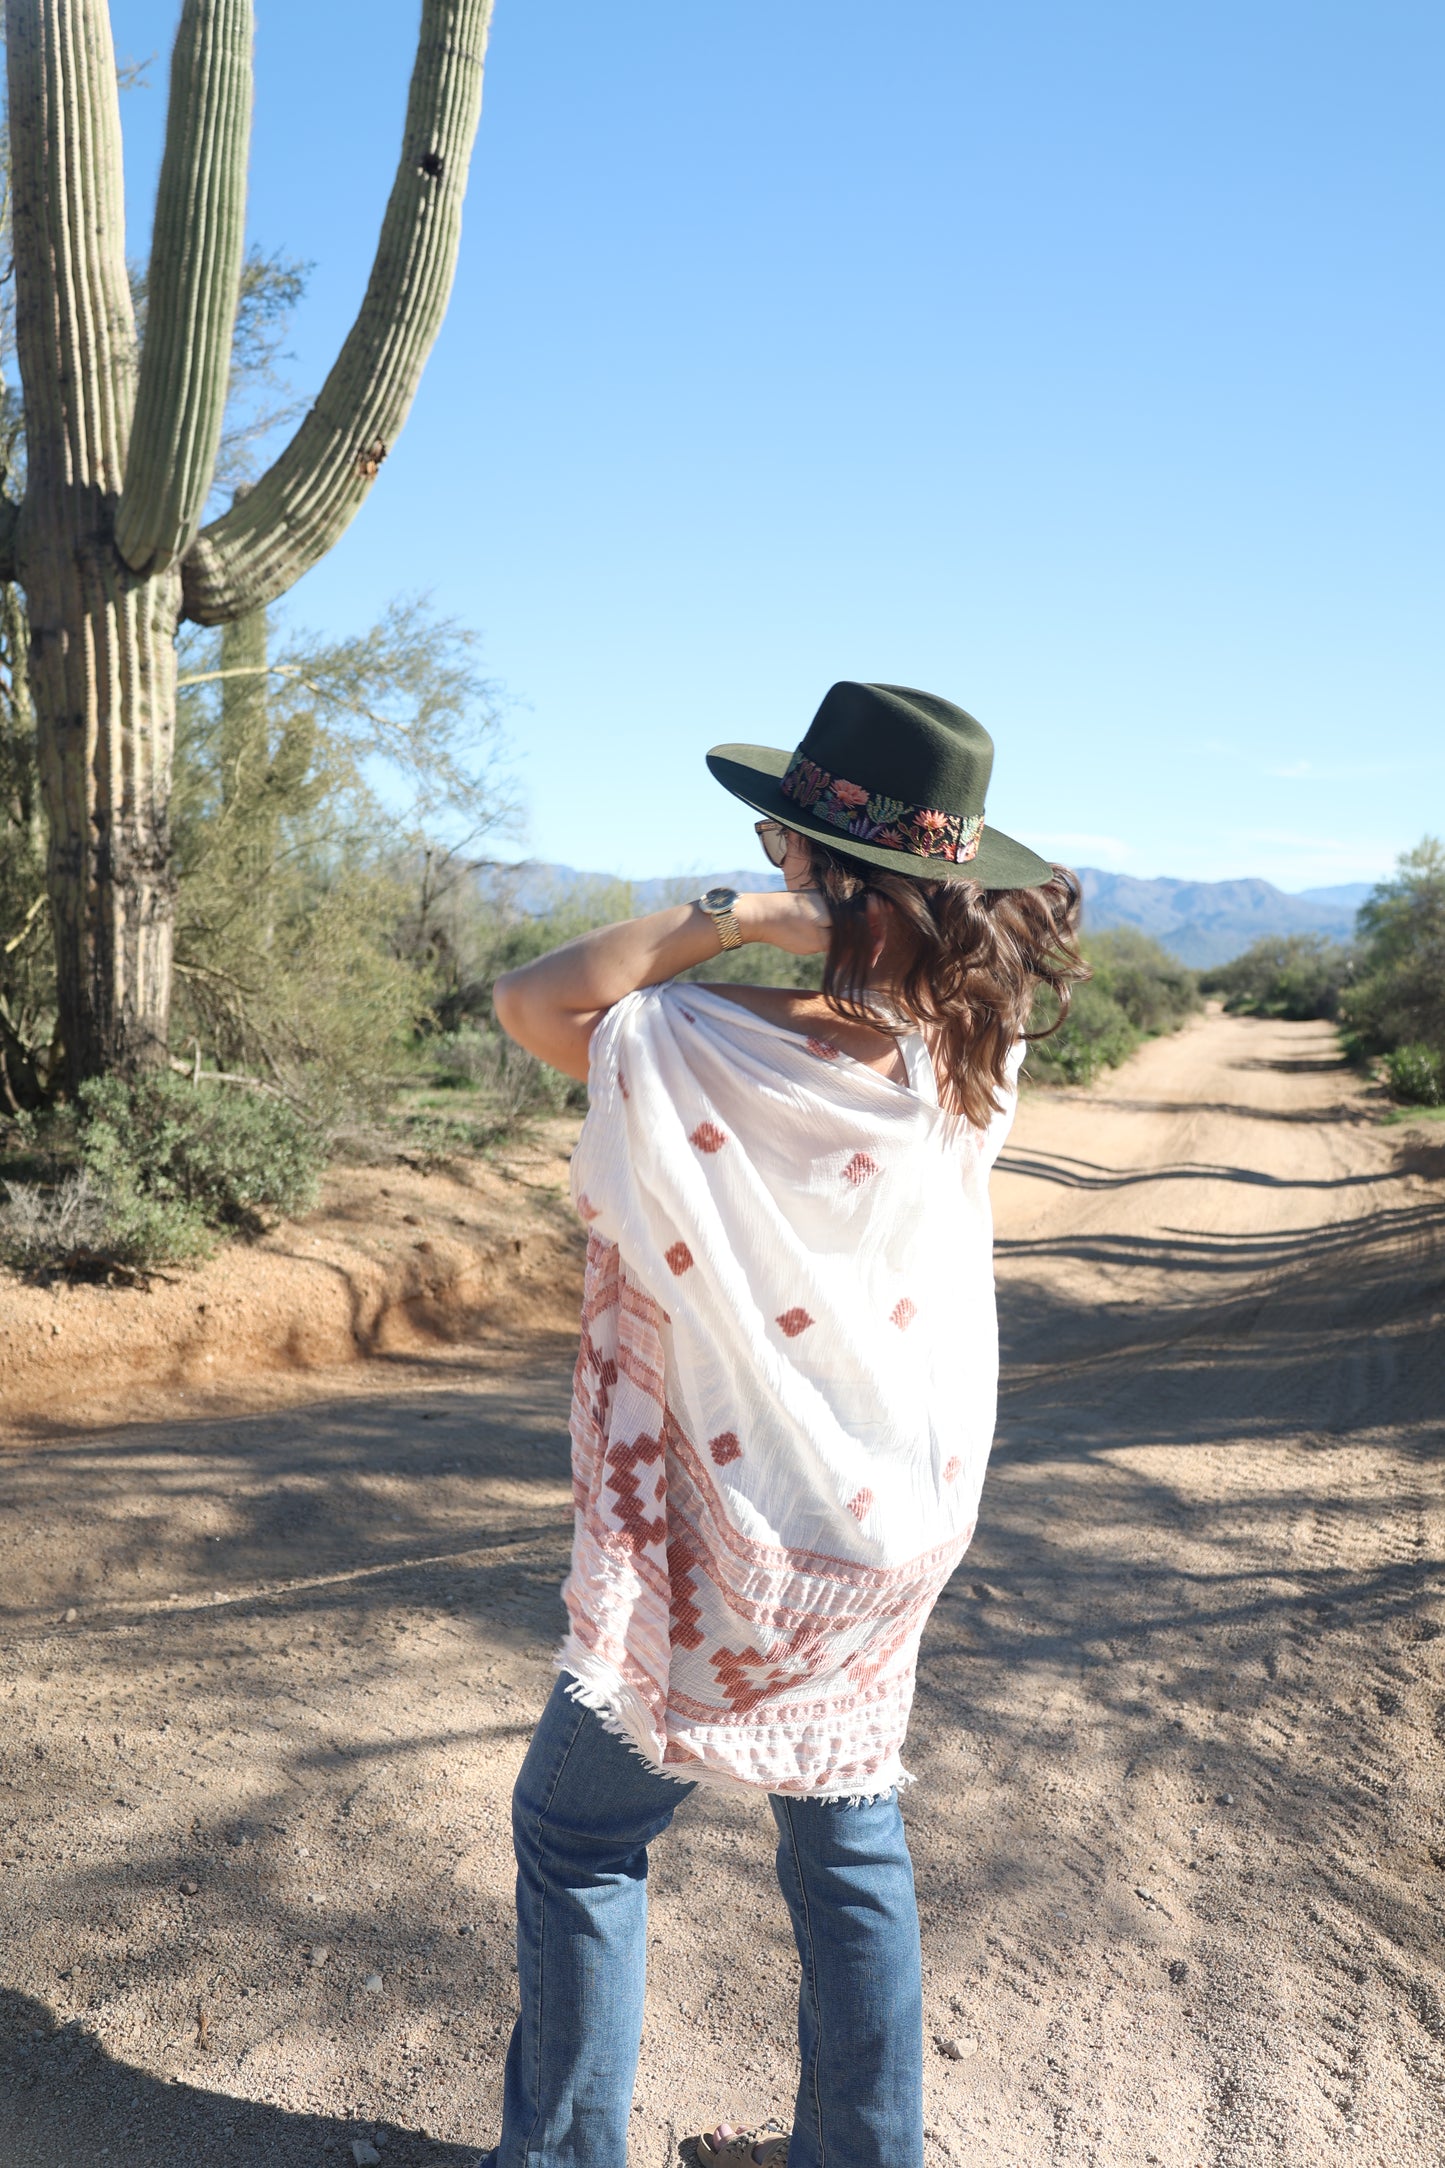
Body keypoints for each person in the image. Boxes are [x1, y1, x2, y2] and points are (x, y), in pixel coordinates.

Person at [478, 682, 1086, 2168]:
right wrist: (850, 917)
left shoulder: (692, 1037)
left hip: (734, 1523)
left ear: (800, 860)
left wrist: (732, 916)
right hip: (897, 1509)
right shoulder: (969, 1054)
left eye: (772, 840)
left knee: (580, 1837)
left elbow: (532, 1002)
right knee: (844, 1832)